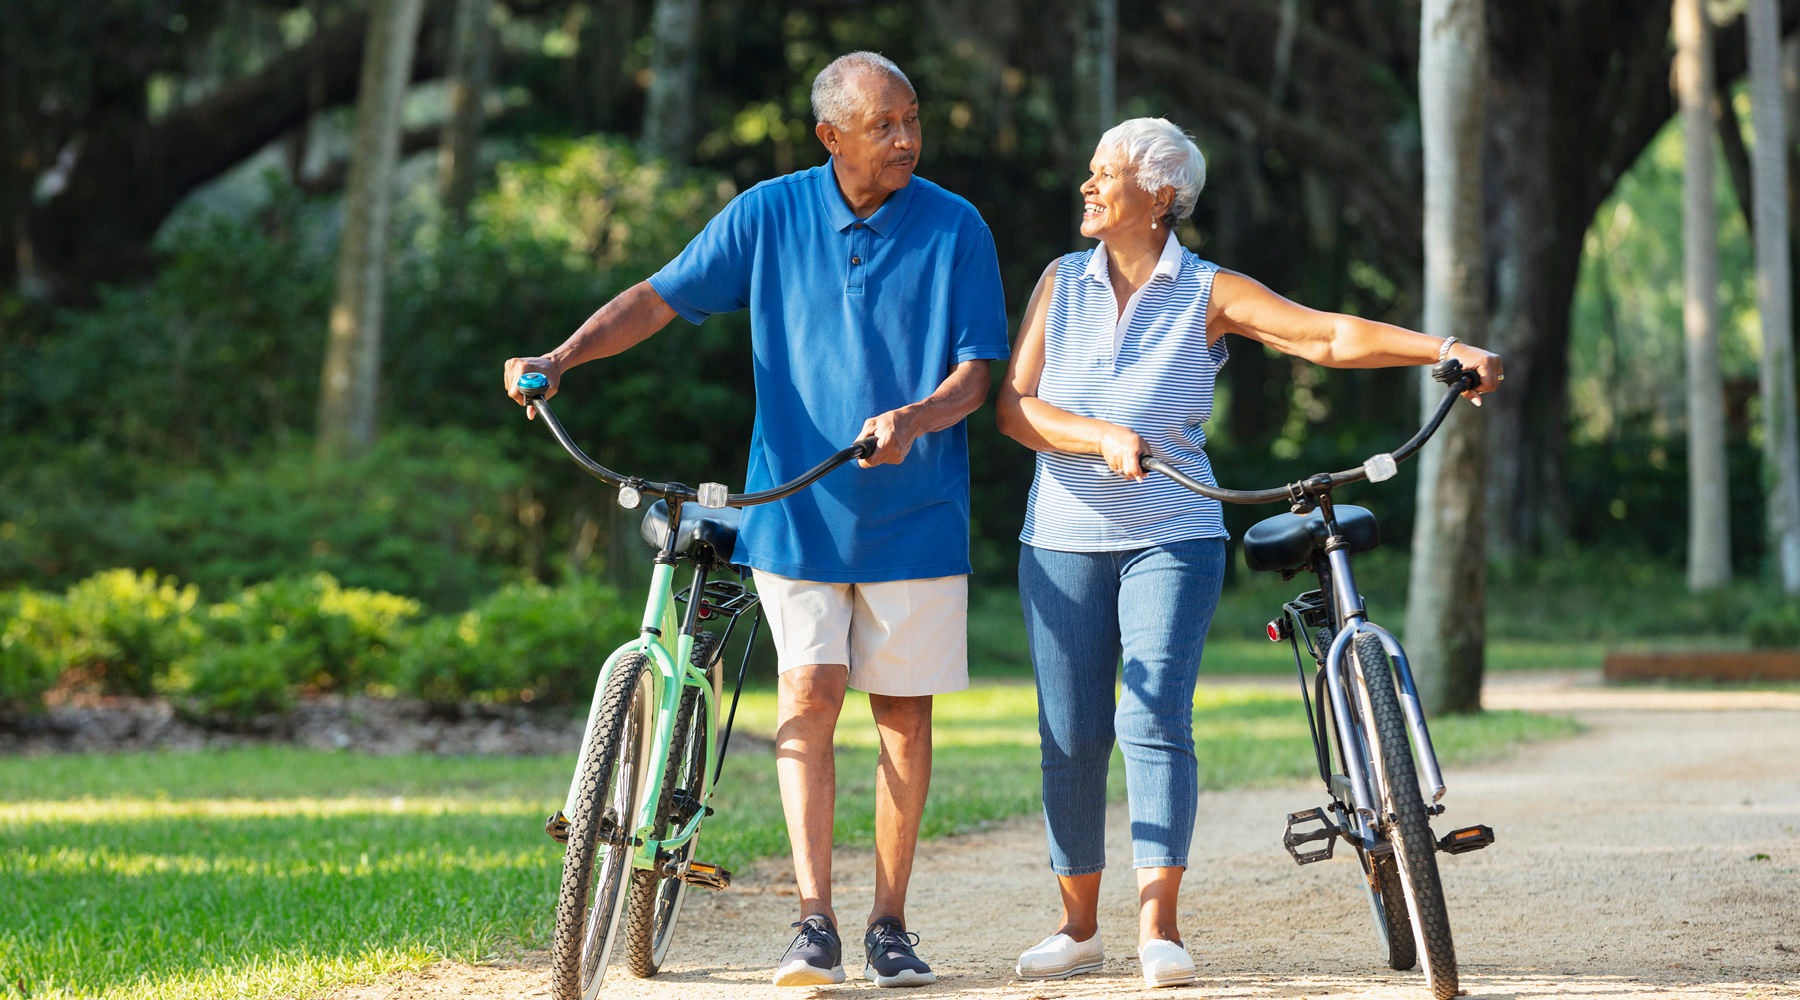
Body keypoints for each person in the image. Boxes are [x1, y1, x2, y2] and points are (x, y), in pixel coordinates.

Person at [505, 52, 1009, 988]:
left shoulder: (957, 226)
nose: (907, 139)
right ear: (831, 137)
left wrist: (917, 418)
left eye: (912, 120)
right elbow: (659, 296)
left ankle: (888, 924)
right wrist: (564, 355)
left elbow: (977, 372)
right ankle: (812, 920)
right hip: (793, 509)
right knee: (807, 697)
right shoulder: (768, 212)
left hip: (918, 513)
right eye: (885, 125)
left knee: (902, 716)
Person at [994, 117, 1501, 989]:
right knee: (1070, 734)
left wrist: (1443, 350)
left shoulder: (1206, 290)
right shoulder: (1060, 282)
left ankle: (1161, 930)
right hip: (1062, 536)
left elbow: (1323, 336)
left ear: (1160, 197)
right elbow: (1015, 409)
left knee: (1151, 720)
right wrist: (1095, 435)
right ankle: (1078, 928)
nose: (1085, 185)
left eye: (1102, 172)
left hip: (1172, 531)